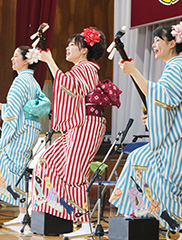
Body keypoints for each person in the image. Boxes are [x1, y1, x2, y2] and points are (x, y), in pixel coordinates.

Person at [109, 21, 182, 240]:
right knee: (138, 157)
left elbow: (162, 97)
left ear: (173, 43)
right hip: (176, 133)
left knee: (164, 180)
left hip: (181, 136)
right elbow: (164, 104)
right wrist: (153, 117)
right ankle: (141, 211)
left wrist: (134, 72)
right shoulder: (174, 67)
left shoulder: (176, 67)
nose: (154, 45)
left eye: (158, 40)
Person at [30, 27, 120, 237]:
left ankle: (84, 223)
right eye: (68, 44)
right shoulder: (80, 68)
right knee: (46, 161)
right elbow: (68, 85)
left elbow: (70, 87)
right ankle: (60, 210)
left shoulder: (88, 68)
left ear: (84, 50)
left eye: (73, 44)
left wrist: (50, 61)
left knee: (74, 172)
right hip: (78, 126)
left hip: (88, 125)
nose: (68, 47)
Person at [0, 46, 49, 225]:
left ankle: (19, 209)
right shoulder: (33, 82)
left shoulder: (21, 82)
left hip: (20, 131)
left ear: (26, 61)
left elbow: (13, 111)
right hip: (29, 128)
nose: (12, 59)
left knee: (14, 166)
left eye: (16, 56)